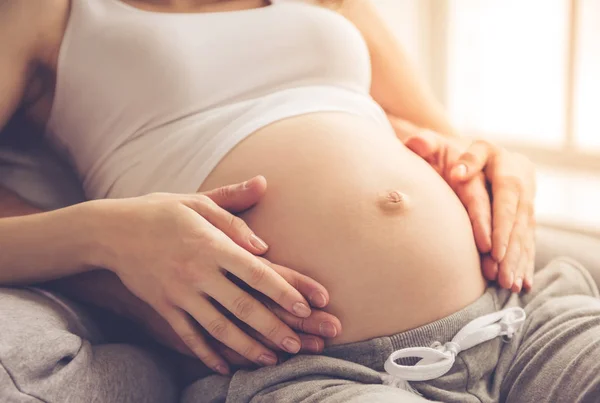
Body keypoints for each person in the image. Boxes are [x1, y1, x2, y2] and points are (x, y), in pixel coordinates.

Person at [8, 1, 597, 403]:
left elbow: (448, 139)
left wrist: (494, 163)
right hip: (303, 370)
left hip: (518, 315)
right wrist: (107, 235)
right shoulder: (49, 12)